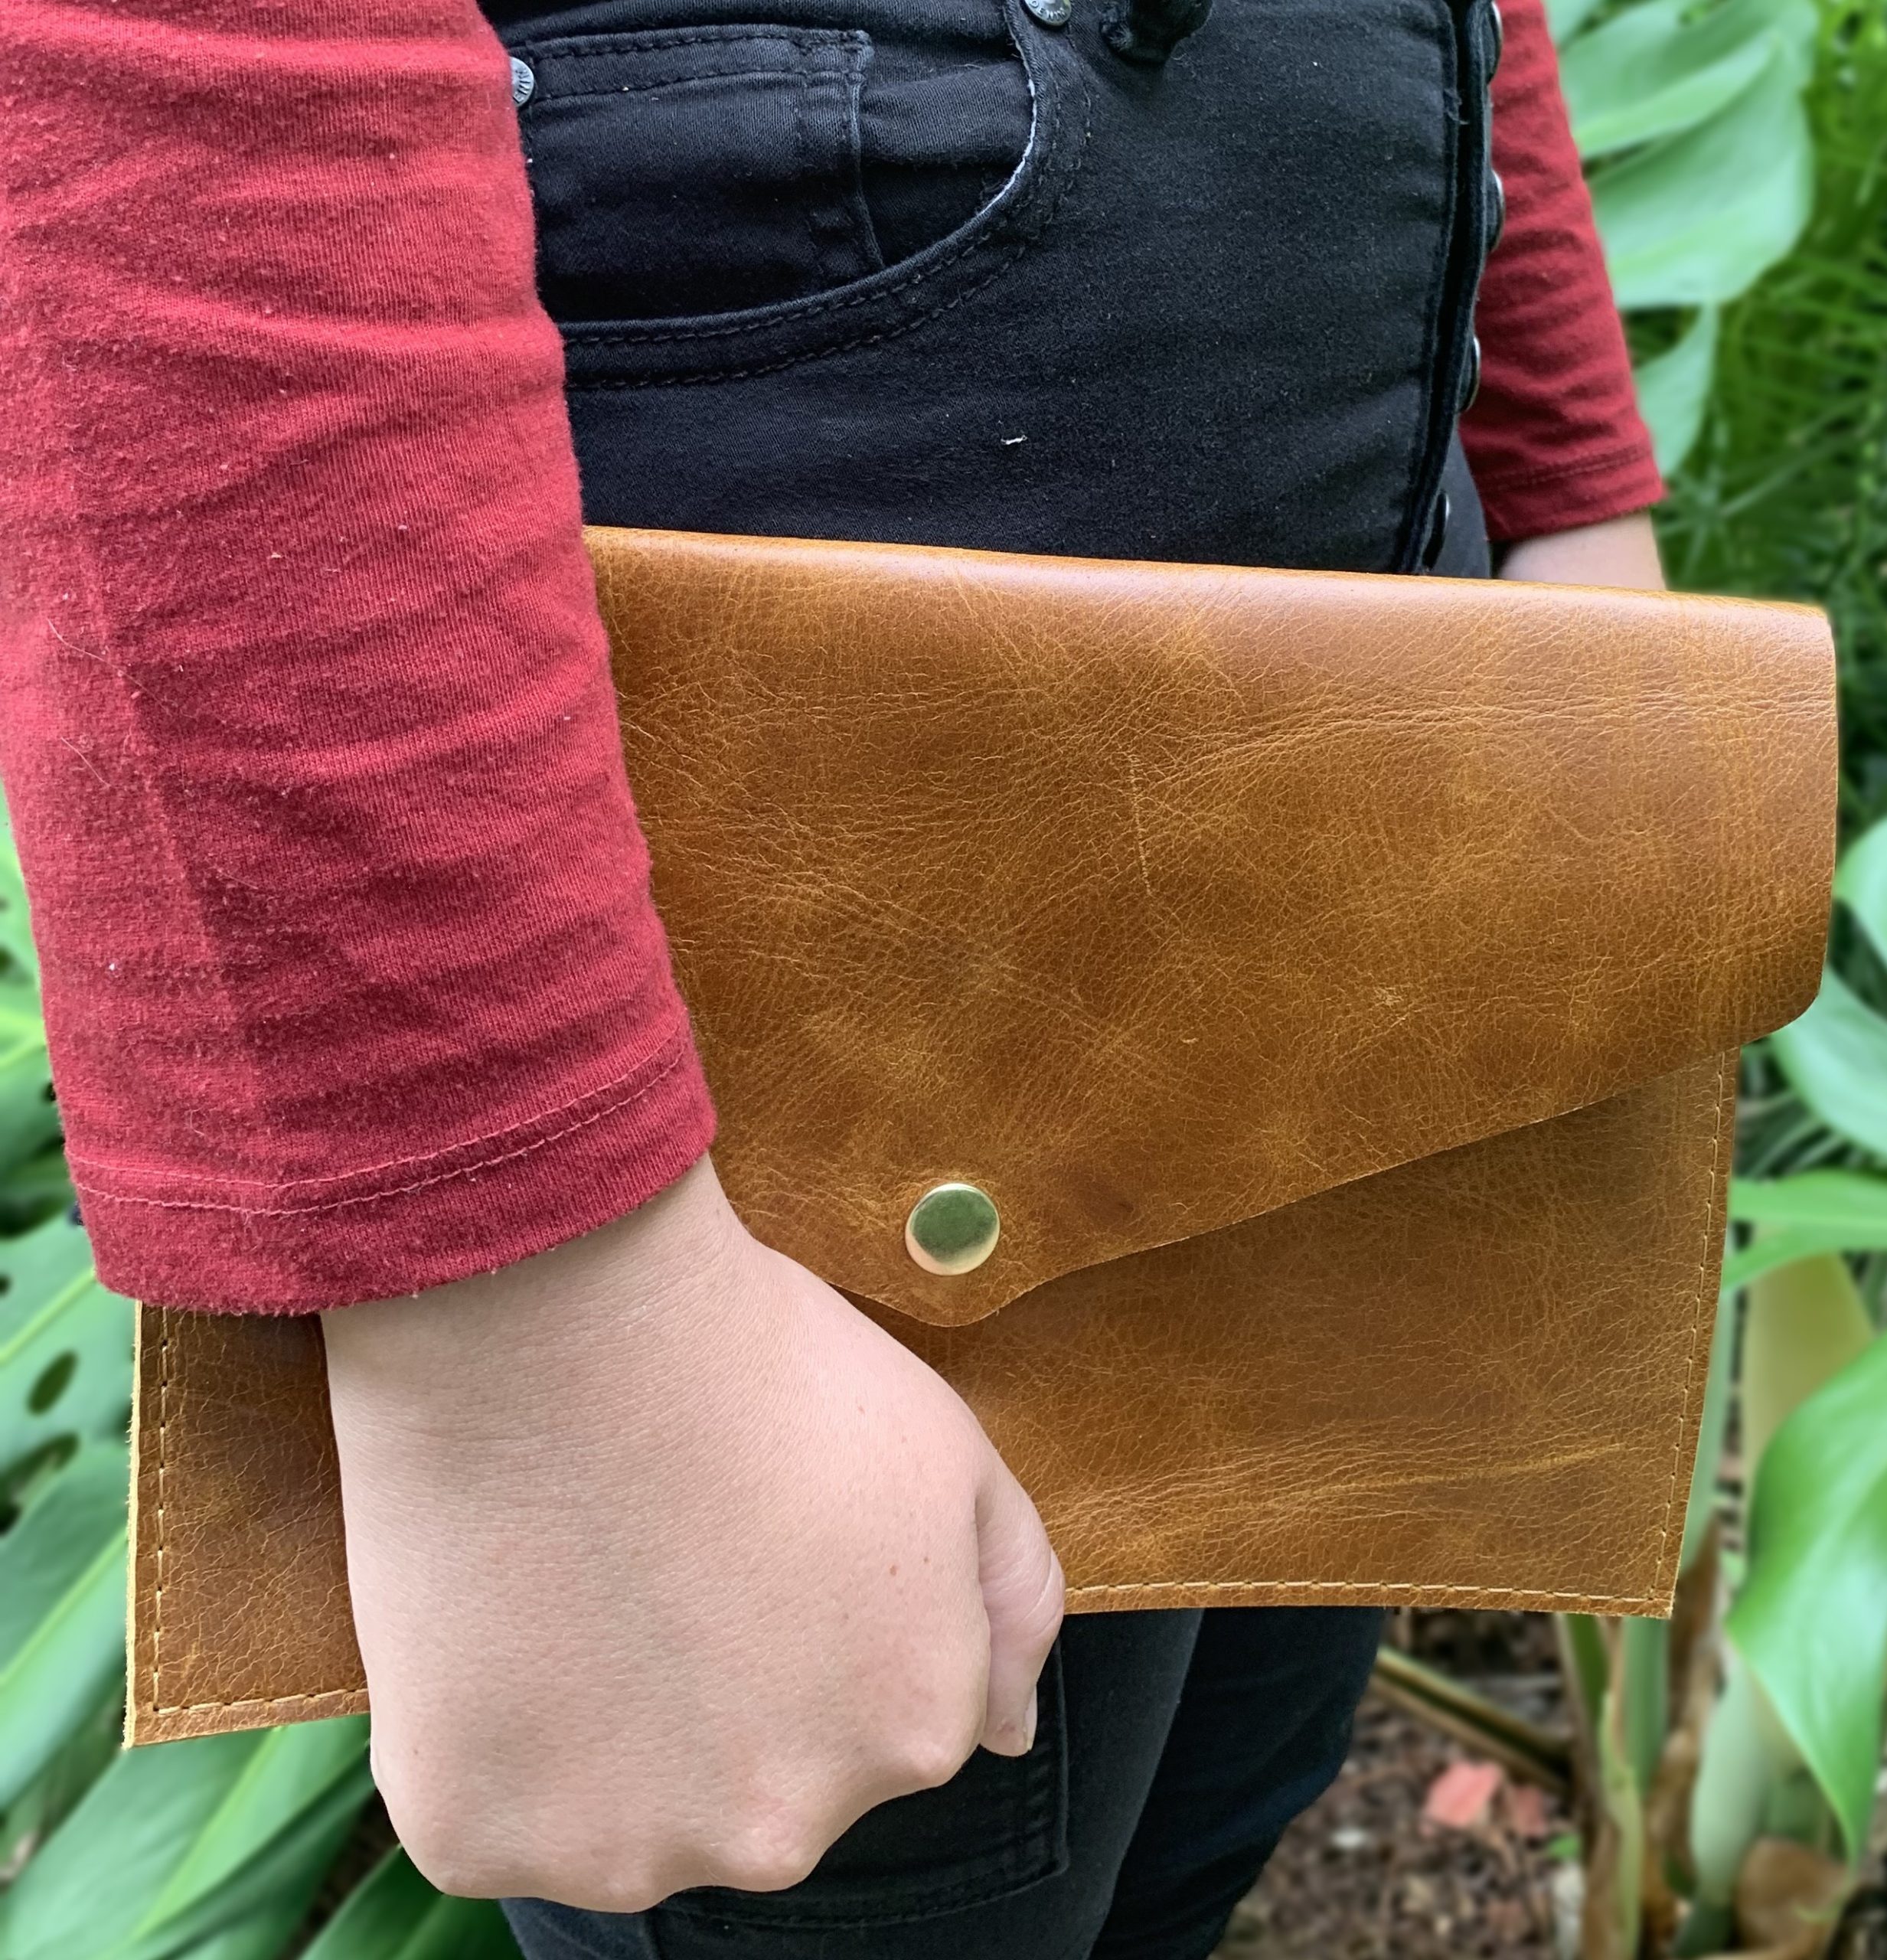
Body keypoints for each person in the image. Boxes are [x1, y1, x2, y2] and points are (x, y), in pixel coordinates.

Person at [0, 0, 1664, 1953]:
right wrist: (540, 1312)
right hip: (787, 955)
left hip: (1344, 739)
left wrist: (1562, 476)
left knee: (1209, 1809)